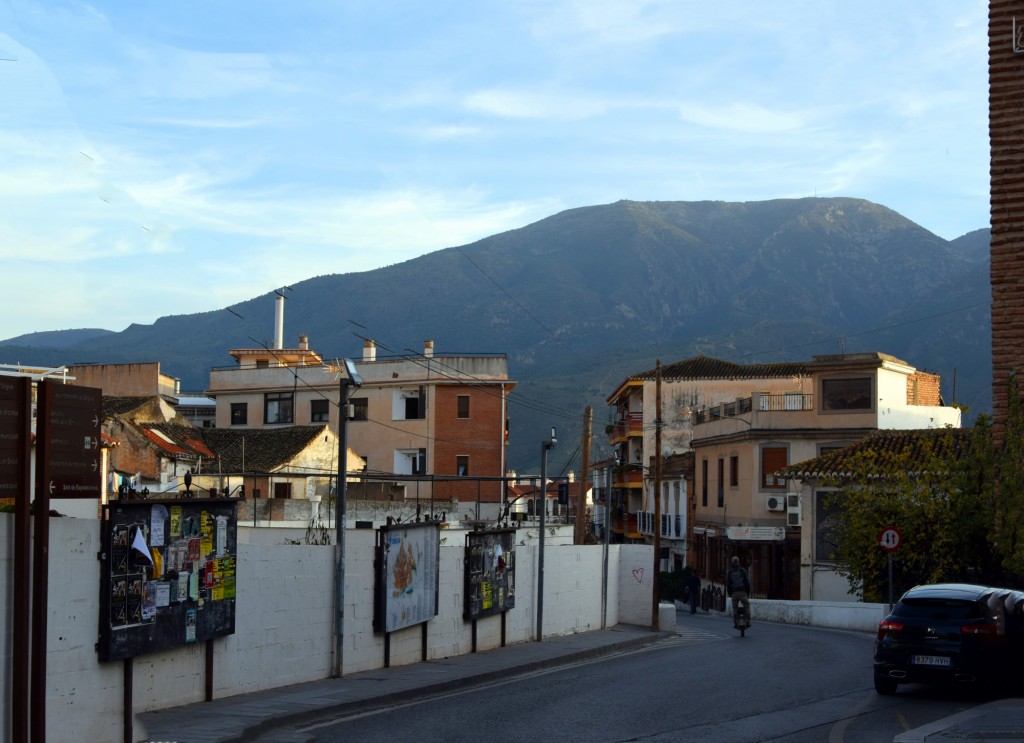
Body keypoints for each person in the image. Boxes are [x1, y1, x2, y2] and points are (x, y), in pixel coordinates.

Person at [725, 556, 751, 627]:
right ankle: (747, 621)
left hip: (734, 593)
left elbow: (728, 583)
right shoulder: (742, 570)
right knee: (746, 606)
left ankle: (736, 623)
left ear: (732, 562)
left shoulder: (730, 571)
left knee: (735, 608)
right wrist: (748, 592)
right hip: (742, 592)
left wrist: (729, 593)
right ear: (738, 562)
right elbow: (747, 582)